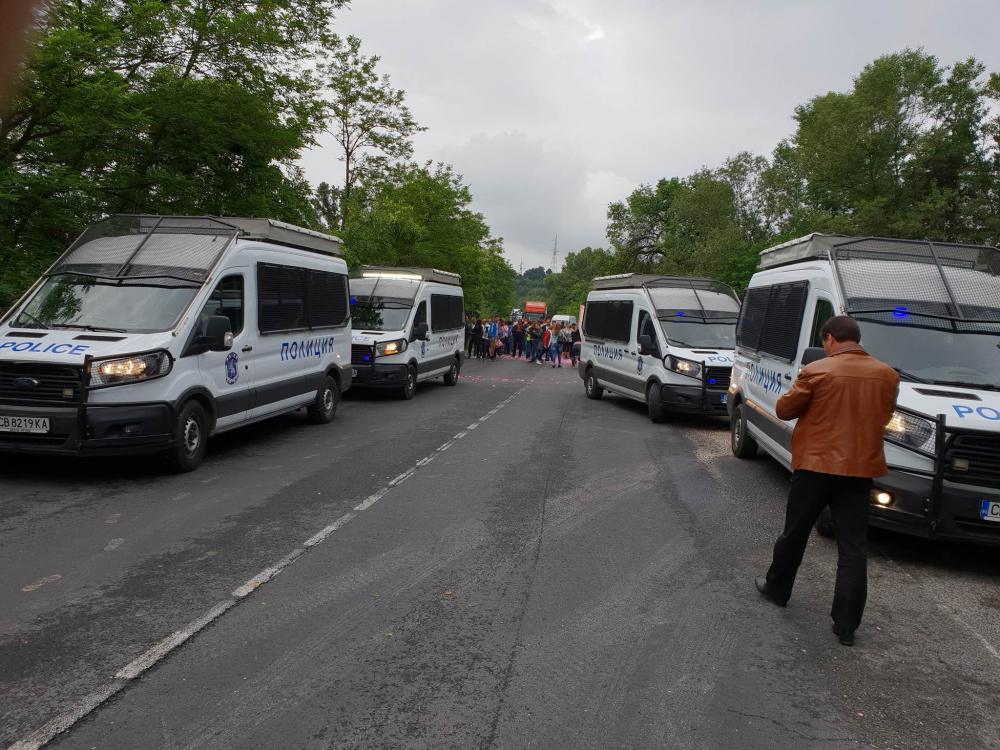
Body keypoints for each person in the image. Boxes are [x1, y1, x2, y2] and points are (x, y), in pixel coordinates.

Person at [755, 315, 898, 647]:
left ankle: (777, 590)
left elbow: (784, 409)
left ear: (831, 339)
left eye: (824, 342)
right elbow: (885, 415)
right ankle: (846, 625)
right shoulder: (887, 375)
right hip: (859, 471)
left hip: (816, 468)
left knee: (795, 533)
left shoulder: (817, 370)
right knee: (853, 548)